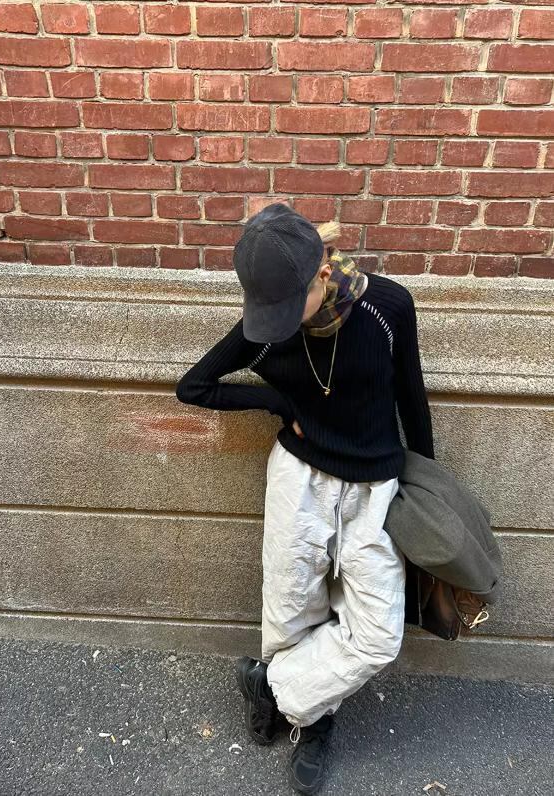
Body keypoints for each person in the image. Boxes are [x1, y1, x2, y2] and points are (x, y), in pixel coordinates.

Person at [175, 203, 435, 794]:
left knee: (377, 635)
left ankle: (273, 688)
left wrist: (424, 487)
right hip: (300, 482)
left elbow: (412, 401)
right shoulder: (267, 326)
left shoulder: (389, 307)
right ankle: (312, 721)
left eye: (287, 307)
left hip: (374, 489)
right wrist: (279, 404)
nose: (275, 324)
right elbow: (195, 386)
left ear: (322, 272)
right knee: (290, 610)